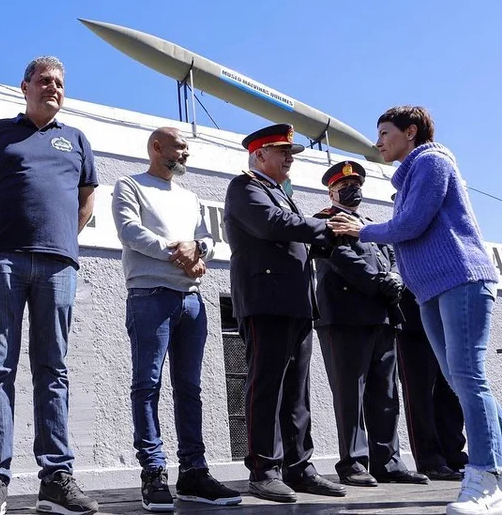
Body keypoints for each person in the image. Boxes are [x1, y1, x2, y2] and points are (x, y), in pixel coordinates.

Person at [330, 105, 500, 515]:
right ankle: (492, 465)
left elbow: (410, 226)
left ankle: (484, 479)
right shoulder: (409, 176)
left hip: (461, 281)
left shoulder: (431, 161)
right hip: (430, 292)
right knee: (462, 384)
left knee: (469, 379)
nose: (379, 141)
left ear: (411, 131)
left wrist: (360, 229)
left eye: (385, 132)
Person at [0, 56, 98, 515]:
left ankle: (56, 479)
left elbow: (85, 204)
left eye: (60, 82)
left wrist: (57, 239)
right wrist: (3, 238)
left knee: (53, 369)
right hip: (2, 260)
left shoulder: (77, 139)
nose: (53, 87)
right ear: (24, 86)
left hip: (59, 265)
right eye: (44, 80)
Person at [111, 127, 241, 512]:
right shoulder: (128, 185)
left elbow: (209, 240)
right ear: (157, 147)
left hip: (192, 301)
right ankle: (153, 473)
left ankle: (193, 473)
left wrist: (197, 248)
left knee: (190, 389)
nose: (186, 154)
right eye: (181, 147)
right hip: (149, 296)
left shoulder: (190, 197)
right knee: (147, 385)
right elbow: (131, 232)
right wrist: (178, 252)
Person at [223, 123, 346, 503]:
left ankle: (300, 467)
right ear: (259, 155)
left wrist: (333, 236)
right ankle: (264, 470)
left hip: (295, 303)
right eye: (283, 152)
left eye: (290, 153)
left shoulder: (280, 193)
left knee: (297, 391)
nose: (289, 159)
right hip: (265, 301)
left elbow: (298, 237)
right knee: (266, 385)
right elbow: (272, 224)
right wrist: (327, 226)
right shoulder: (244, 187)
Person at [311, 160, 428, 487]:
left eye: (357, 186)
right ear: (331, 190)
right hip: (345, 317)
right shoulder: (325, 221)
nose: (353, 191)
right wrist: (380, 281)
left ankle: (387, 461)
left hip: (383, 315)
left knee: (386, 393)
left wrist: (394, 277)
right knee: (351, 394)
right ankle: (353, 463)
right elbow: (340, 259)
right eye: (345, 187)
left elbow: (390, 254)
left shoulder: (369, 223)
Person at [397, 287, 467, 481]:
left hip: (446, 314)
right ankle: (429, 461)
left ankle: (454, 455)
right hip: (412, 317)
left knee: (451, 392)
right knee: (419, 393)